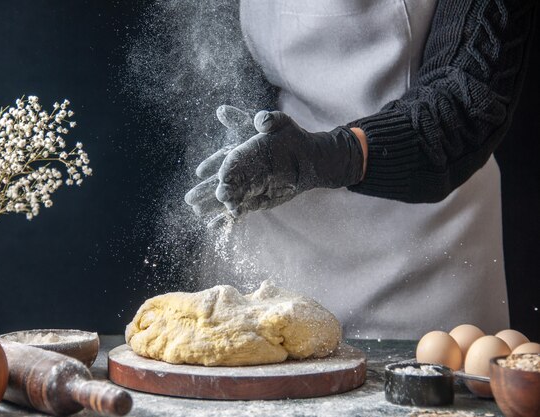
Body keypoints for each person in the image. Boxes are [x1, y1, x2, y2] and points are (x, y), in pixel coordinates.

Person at [185, 0, 537, 339]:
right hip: (277, 235)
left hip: (425, 253)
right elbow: (218, 51)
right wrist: (250, 136)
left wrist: (332, 156)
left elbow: (466, 102)